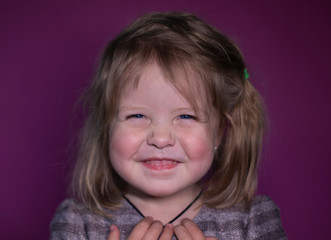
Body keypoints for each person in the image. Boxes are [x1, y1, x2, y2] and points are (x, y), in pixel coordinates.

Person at [50, 11, 286, 240]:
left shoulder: (253, 222)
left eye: (186, 117)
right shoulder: (77, 223)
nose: (161, 139)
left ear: (220, 133)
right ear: (106, 126)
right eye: (137, 116)